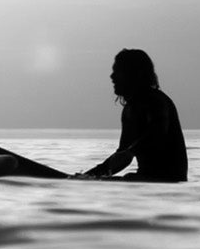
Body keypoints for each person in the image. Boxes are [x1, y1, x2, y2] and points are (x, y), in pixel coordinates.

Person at [77, 48, 188, 182]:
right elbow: (121, 155)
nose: (112, 77)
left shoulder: (156, 102)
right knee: (126, 178)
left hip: (169, 181)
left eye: (117, 71)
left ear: (134, 74)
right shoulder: (130, 109)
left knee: (128, 178)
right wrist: (89, 176)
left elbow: (158, 132)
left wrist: (131, 151)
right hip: (145, 179)